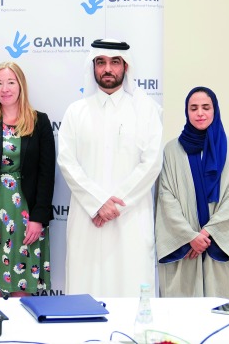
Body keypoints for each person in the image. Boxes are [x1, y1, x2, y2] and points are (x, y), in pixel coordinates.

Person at [57, 39, 163, 297]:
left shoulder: (146, 110)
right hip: (87, 218)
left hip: (130, 220)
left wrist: (114, 205)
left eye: (115, 62)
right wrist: (97, 203)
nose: (107, 68)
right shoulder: (76, 112)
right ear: (92, 67)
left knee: (130, 287)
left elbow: (151, 163)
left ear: (126, 67)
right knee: (85, 288)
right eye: (101, 62)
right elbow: (67, 162)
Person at [0, 62, 56, 295]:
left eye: (11, 82)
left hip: (27, 216)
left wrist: (38, 217)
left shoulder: (39, 122)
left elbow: (47, 174)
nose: (5, 89)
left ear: (21, 85)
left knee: (21, 289)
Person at [155, 87, 229, 300]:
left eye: (206, 107)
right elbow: (166, 196)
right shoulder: (172, 150)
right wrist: (189, 236)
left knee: (218, 308)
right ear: (186, 112)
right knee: (181, 313)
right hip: (183, 245)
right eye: (193, 108)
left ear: (215, 110)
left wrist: (206, 234)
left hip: (218, 241)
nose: (200, 113)